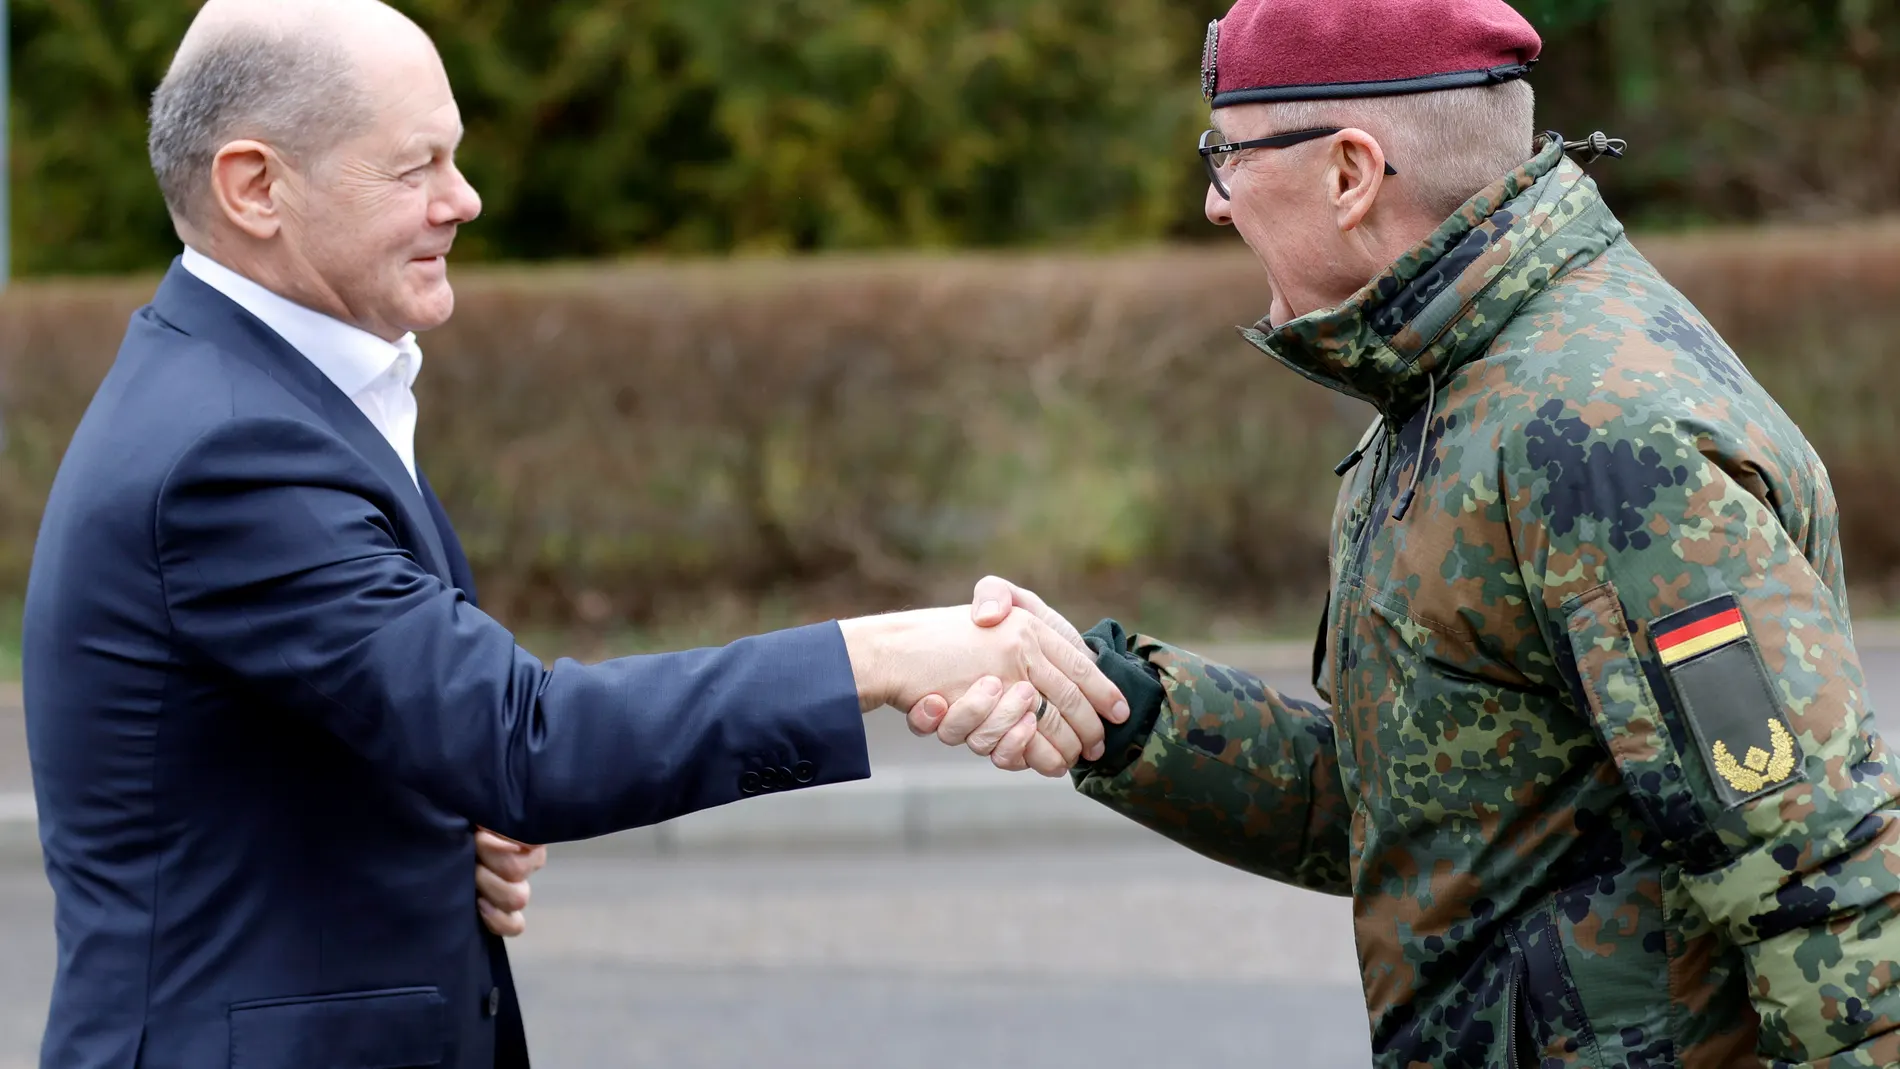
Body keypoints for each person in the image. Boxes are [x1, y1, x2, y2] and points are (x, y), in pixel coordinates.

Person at [20, 2, 1127, 1066]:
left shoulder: (249, 396)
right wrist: (883, 656)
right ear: (256, 187)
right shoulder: (231, 451)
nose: (467, 199)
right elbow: (523, 743)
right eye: (416, 168)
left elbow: (316, 740)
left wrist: (420, 835)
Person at [916, 0, 1900, 1065]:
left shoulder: (1595, 434)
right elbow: (1415, 806)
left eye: (1227, 154)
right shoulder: (1449, 387)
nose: (1212, 200)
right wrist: (1122, 709)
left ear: (1349, 174)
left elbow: (1827, 885)